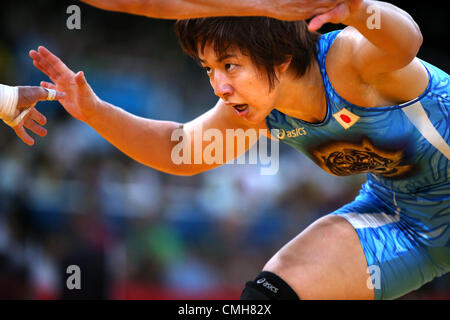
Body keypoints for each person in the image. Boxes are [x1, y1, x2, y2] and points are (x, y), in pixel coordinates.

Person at [30, 0, 449, 299]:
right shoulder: (251, 110)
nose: (218, 85)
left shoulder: (349, 61)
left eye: (229, 65)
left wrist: (356, 9)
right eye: (209, 68)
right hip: (400, 216)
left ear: (281, 57)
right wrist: (93, 110)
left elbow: (406, 42)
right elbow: (177, 151)